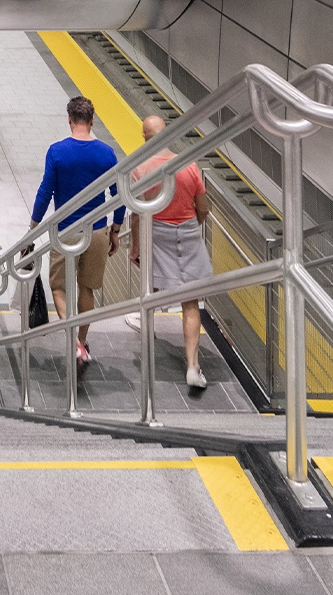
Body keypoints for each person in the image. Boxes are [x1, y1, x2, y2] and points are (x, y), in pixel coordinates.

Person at [31, 95, 122, 366]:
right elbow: (118, 195)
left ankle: (73, 344)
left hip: (64, 231)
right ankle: (82, 343)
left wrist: (33, 227)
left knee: (58, 286)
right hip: (96, 232)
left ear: (70, 120)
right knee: (87, 289)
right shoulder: (107, 153)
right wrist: (115, 230)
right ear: (92, 121)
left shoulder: (57, 151)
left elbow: (45, 191)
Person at [130, 115, 212, 392]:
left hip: (157, 233)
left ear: (144, 137)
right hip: (188, 232)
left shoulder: (139, 170)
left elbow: (137, 213)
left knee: (150, 294)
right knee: (190, 303)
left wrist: (136, 247)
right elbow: (203, 208)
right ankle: (192, 366)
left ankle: (147, 342)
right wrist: (190, 227)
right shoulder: (188, 164)